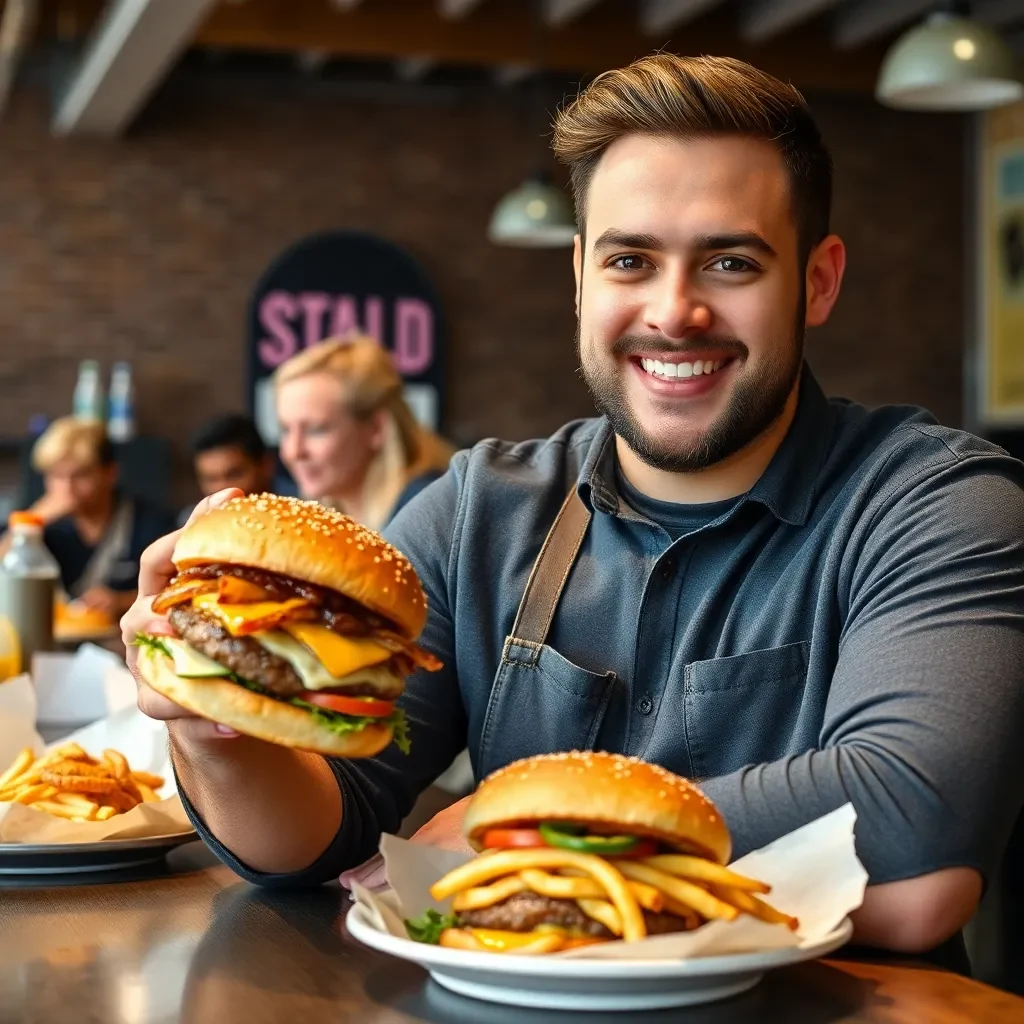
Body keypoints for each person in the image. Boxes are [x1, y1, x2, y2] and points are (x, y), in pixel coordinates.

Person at [122, 54, 1024, 963]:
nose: (675, 312)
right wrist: (217, 726)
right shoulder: (478, 511)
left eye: (730, 261)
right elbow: (327, 828)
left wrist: (527, 827)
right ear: (581, 279)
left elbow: (915, 803)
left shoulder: (938, 505)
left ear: (818, 282)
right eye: (631, 259)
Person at [274, 335, 455, 530]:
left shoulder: (425, 516)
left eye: (316, 430)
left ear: (376, 429)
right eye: (286, 430)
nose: (294, 452)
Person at [12, 418, 176, 617]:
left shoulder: (150, 522)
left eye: (80, 476)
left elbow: (176, 589)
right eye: (56, 476)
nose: (66, 489)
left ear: (110, 473)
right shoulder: (41, 522)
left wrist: (122, 600)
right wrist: (33, 522)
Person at [178, 414, 274, 526]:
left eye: (234, 475)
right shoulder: (190, 527)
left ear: (266, 466)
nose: (222, 489)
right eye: (211, 479)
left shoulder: (296, 510)